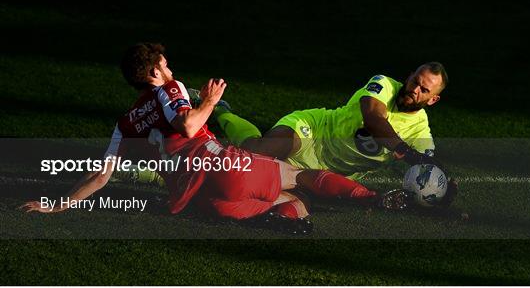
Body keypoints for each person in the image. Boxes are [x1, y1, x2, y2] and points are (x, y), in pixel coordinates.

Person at [21, 43, 402, 229]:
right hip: (225, 168)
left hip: (201, 201)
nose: (169, 67)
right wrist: (211, 102)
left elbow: (101, 176)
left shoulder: (125, 123)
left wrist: (59, 204)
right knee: (299, 178)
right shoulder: (171, 89)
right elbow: (187, 125)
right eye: (164, 63)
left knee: (295, 206)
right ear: (154, 71)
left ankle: (275, 217)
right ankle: (378, 199)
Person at [212, 62, 457, 205]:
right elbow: (372, 116)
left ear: (433, 99)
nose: (414, 89)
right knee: (255, 153)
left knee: (276, 197)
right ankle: (222, 111)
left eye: (423, 89)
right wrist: (402, 149)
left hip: (329, 171)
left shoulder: (420, 130)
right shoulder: (383, 84)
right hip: (313, 130)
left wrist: (444, 186)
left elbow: (428, 166)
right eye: (415, 80)